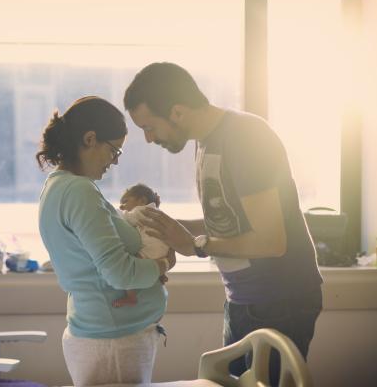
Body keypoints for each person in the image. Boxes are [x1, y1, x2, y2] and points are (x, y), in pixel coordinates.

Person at [123, 62, 323, 383]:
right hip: (244, 299)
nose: (148, 139)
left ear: (177, 112)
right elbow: (231, 218)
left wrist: (194, 245)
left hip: (279, 300)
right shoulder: (206, 142)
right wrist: (172, 227)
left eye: (149, 126)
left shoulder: (245, 137)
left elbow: (271, 240)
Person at [36, 96, 176, 386]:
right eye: (114, 151)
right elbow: (119, 273)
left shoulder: (59, 185)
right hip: (113, 342)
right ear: (90, 139)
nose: (114, 162)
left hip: (109, 335)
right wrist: (161, 265)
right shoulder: (78, 192)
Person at [113, 183, 170, 308]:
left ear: (142, 200)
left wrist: (112, 211)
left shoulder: (141, 211)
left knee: (129, 269)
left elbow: (124, 218)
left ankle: (131, 296)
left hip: (150, 250)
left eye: (125, 201)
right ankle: (159, 275)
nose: (121, 206)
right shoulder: (156, 212)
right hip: (163, 251)